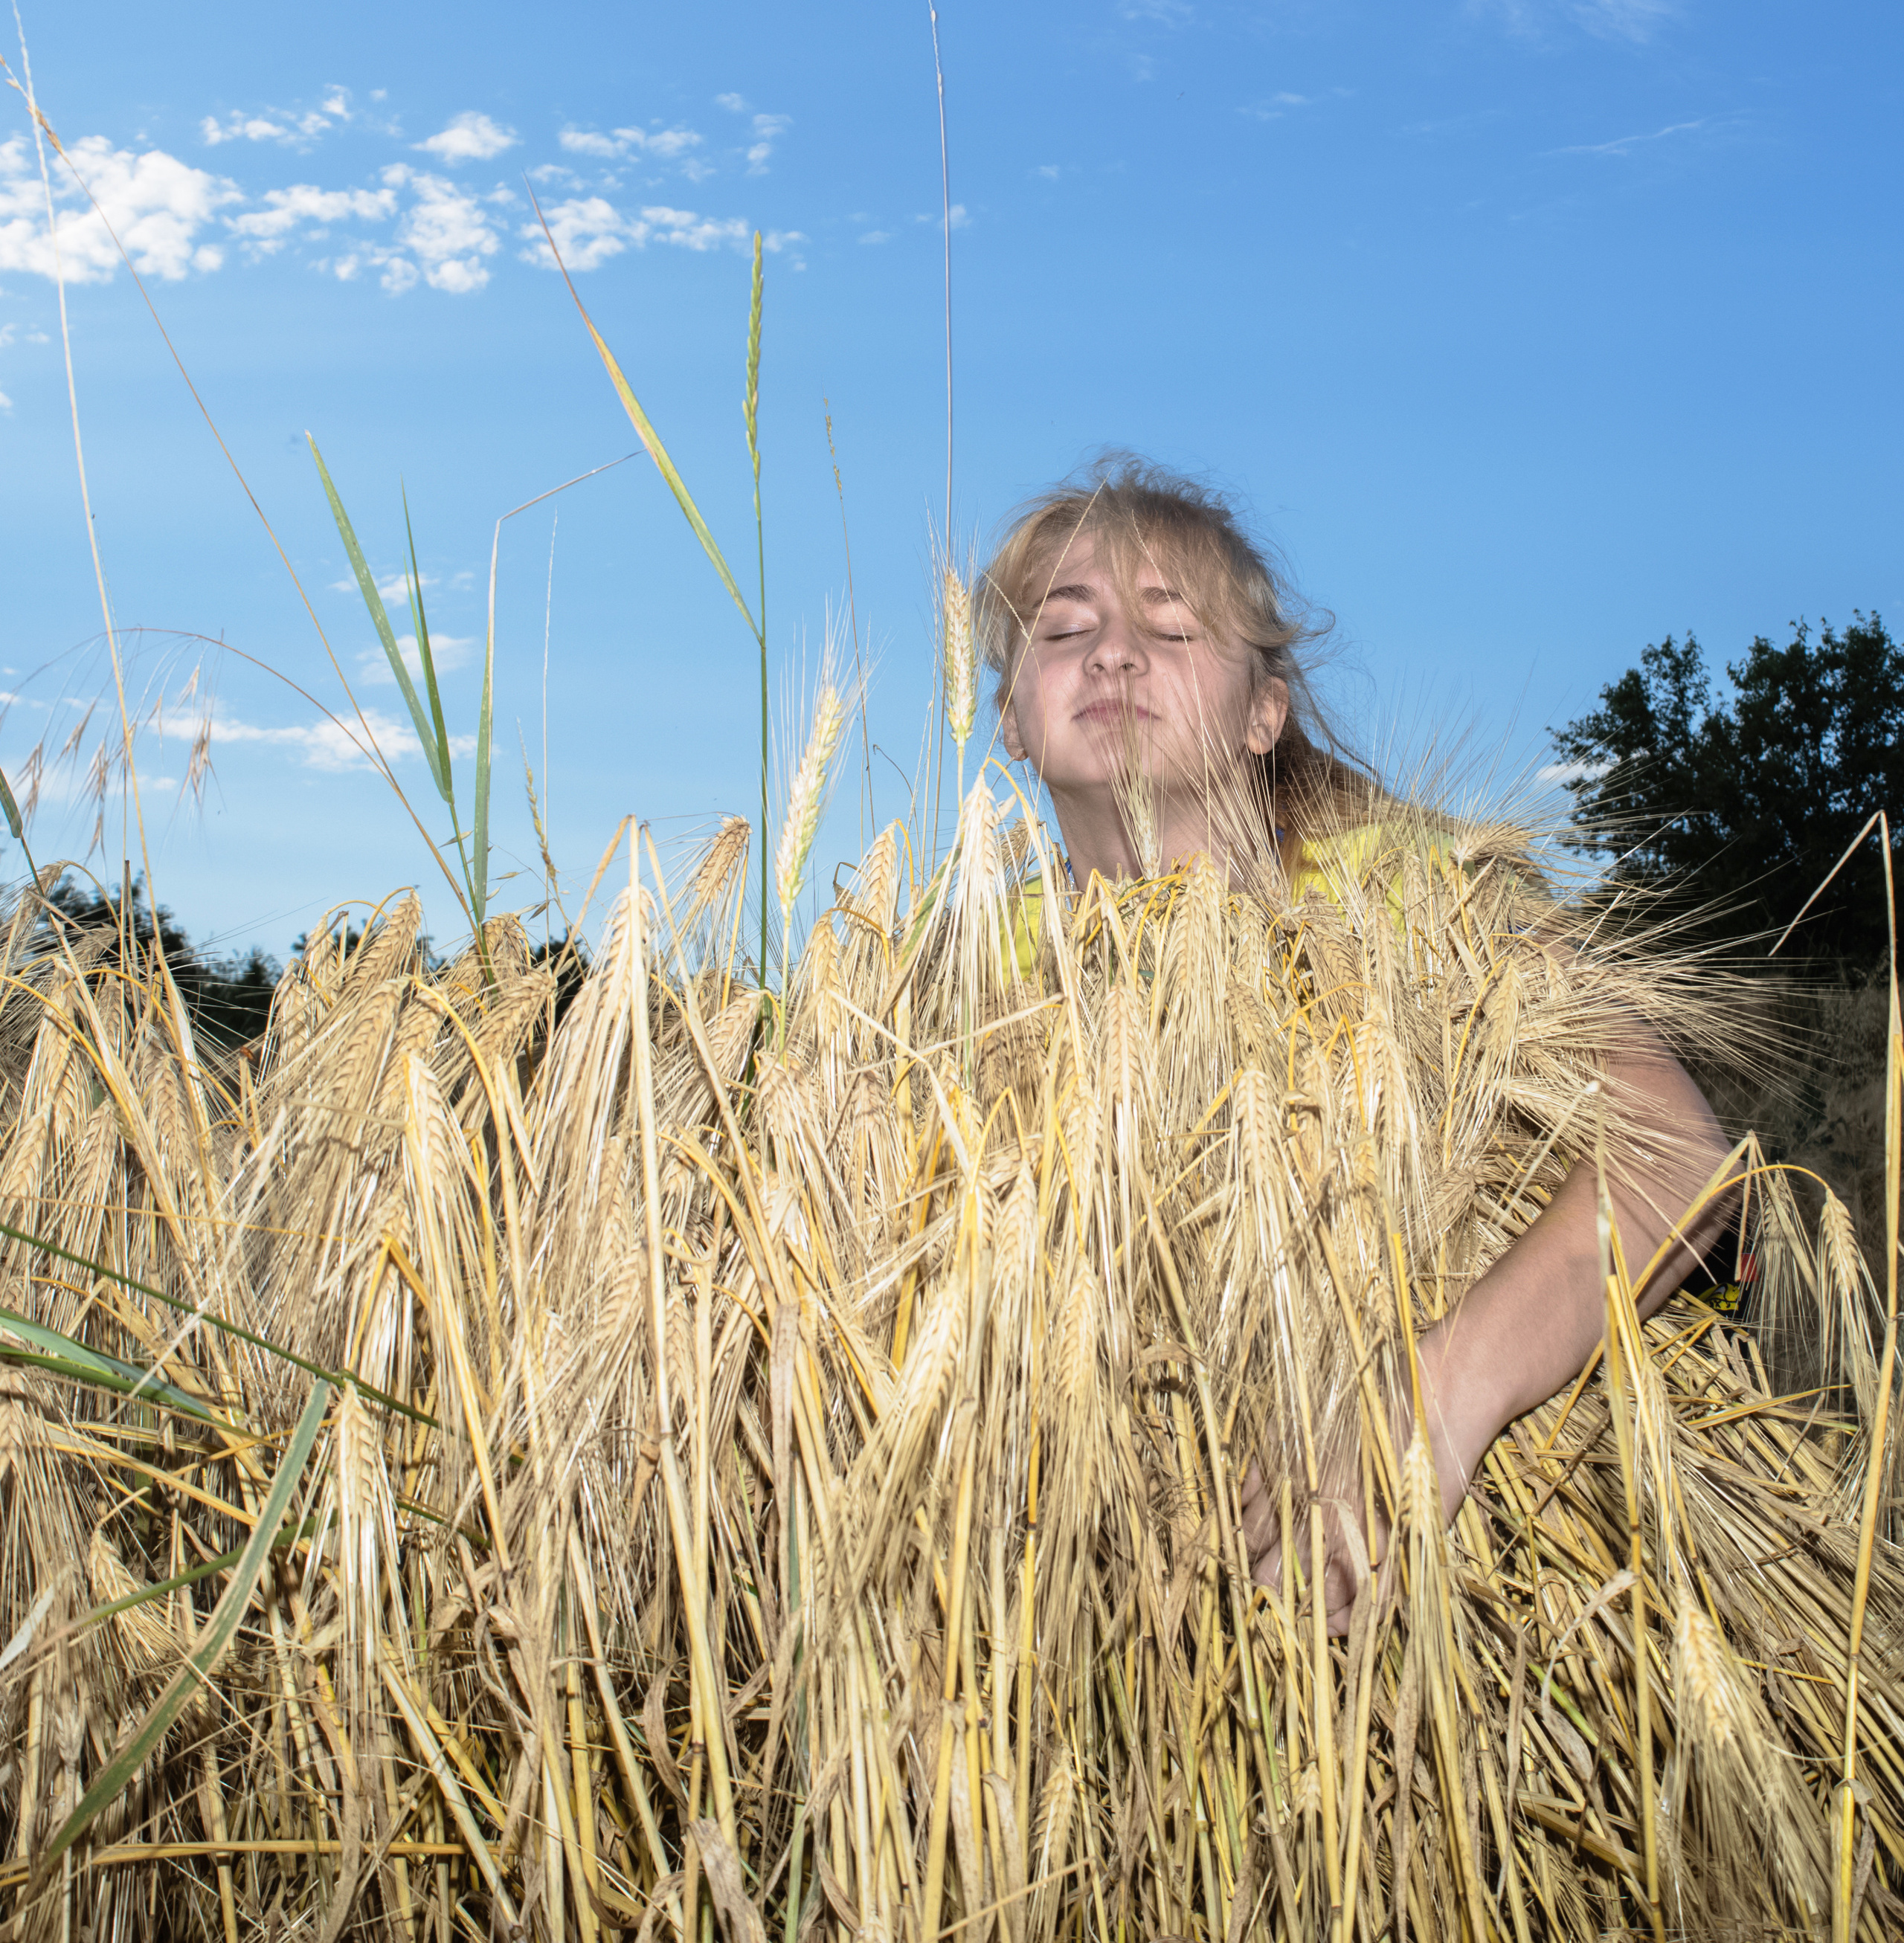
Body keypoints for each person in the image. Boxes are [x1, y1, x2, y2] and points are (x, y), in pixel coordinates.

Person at [977, 457, 1737, 1631]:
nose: (1113, 654)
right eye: (1066, 628)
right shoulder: (963, 971)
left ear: (1262, 713)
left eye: (1170, 630)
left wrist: (1435, 1397)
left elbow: (1678, 1151)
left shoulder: (1420, 887)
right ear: (1011, 720)